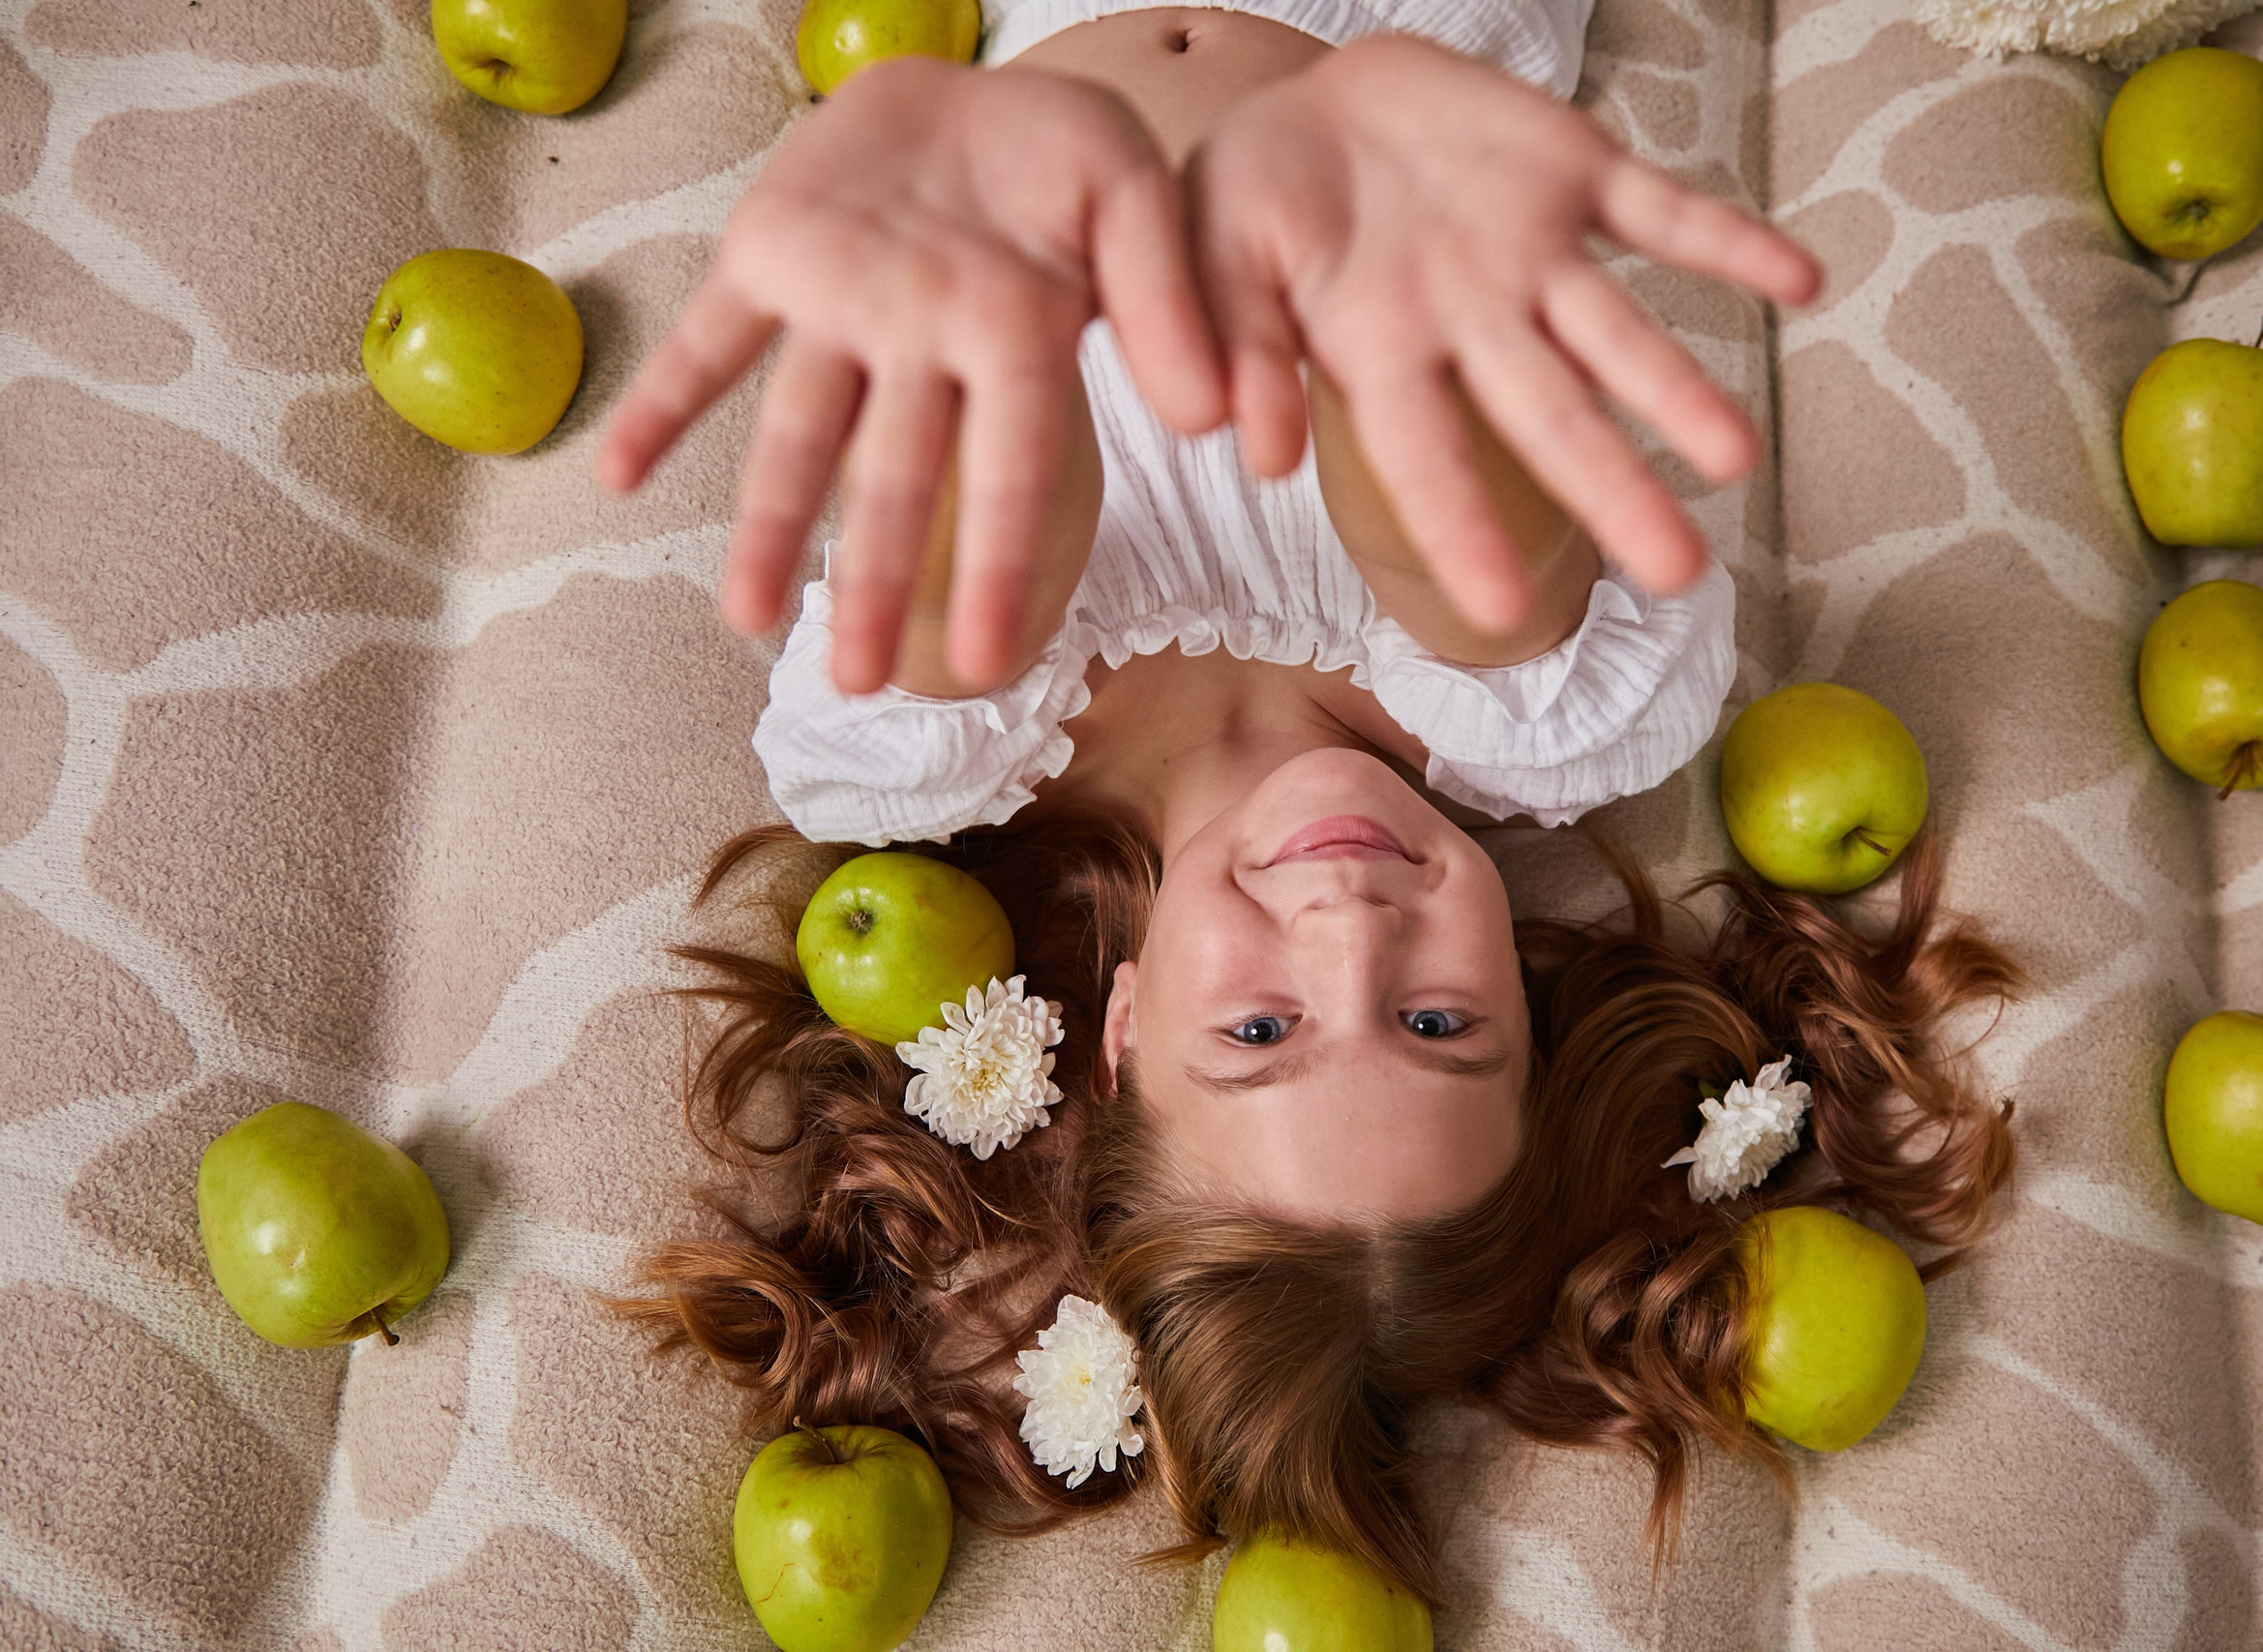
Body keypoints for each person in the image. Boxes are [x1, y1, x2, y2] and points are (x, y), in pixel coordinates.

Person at [604, 6, 2017, 1605]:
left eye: (1263, 1036)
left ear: (1121, 1032)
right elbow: (1414, 446)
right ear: (1532, 1019)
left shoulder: (935, 749)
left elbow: (1009, 433)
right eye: (1438, 1025)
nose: (1352, 933)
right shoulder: (1527, 710)